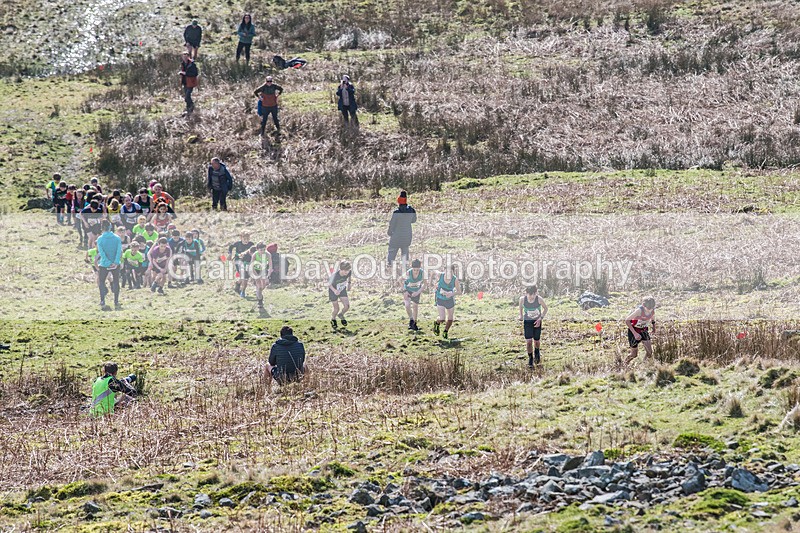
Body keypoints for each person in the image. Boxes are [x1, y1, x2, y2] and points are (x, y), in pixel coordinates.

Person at [519, 285, 548, 368]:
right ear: (526, 293)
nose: (531, 297)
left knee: (536, 341)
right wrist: (520, 316)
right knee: (528, 342)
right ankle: (530, 358)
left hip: (537, 321)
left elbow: (546, 308)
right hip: (527, 322)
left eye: (533, 294)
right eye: (530, 294)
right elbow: (520, 307)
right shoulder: (522, 299)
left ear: (536, 293)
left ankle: (537, 352)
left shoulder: (539, 299)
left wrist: (540, 318)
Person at [96, 220, 122, 310]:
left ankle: (102, 300)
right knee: (116, 281)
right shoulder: (117, 238)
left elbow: (101, 253)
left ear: (102, 228)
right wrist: (115, 262)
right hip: (115, 263)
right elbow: (119, 251)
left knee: (102, 282)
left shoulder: (100, 239)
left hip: (104, 263)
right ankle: (116, 300)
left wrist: (107, 262)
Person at [387, 190, 416, 268]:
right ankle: (405, 267)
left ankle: (390, 266)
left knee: (392, 251)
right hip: (407, 236)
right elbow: (414, 220)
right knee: (405, 252)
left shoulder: (396, 213)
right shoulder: (411, 210)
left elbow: (392, 224)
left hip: (396, 236)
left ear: (399, 201)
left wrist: (389, 232)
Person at [433, 265, 461, 340]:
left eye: (450, 272)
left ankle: (445, 331)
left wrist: (451, 294)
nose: (449, 273)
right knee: (442, 318)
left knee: (450, 318)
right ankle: (437, 323)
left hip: (449, 299)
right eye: (447, 271)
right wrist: (433, 284)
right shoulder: (440, 275)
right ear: (444, 271)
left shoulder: (455, 279)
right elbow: (433, 272)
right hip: (440, 298)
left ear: (453, 272)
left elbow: (459, 291)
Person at [625, 297, 656, 364]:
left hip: (644, 330)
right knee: (634, 355)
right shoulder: (639, 311)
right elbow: (627, 320)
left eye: (651, 309)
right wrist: (635, 333)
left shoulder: (652, 310)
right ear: (643, 305)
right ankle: (624, 363)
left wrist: (654, 327)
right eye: (648, 309)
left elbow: (653, 319)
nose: (649, 311)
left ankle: (642, 364)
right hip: (633, 330)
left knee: (649, 352)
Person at [328, 261, 352, 330]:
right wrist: (335, 291)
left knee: (347, 306)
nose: (346, 272)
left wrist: (349, 284)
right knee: (336, 309)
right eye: (345, 271)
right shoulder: (334, 276)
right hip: (333, 291)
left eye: (348, 270)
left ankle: (341, 315)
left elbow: (349, 276)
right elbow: (329, 284)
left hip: (342, 290)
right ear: (341, 269)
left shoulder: (349, 272)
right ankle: (333, 319)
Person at [403, 259, 425, 331]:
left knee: (415, 306)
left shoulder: (422, 273)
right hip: (408, 290)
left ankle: (414, 323)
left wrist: (418, 292)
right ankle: (411, 319)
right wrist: (405, 291)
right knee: (407, 305)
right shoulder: (408, 273)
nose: (416, 272)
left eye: (417, 270)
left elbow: (425, 284)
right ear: (412, 268)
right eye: (414, 270)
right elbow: (400, 280)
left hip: (416, 291)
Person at [252, 242, 272, 312]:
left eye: (264, 249)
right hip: (256, 270)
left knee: (263, 286)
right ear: (257, 249)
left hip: (263, 270)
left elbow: (270, 265)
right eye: (261, 250)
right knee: (259, 286)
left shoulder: (268, 254)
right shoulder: (255, 254)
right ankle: (260, 301)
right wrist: (256, 276)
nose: (262, 251)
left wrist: (268, 275)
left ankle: (259, 294)